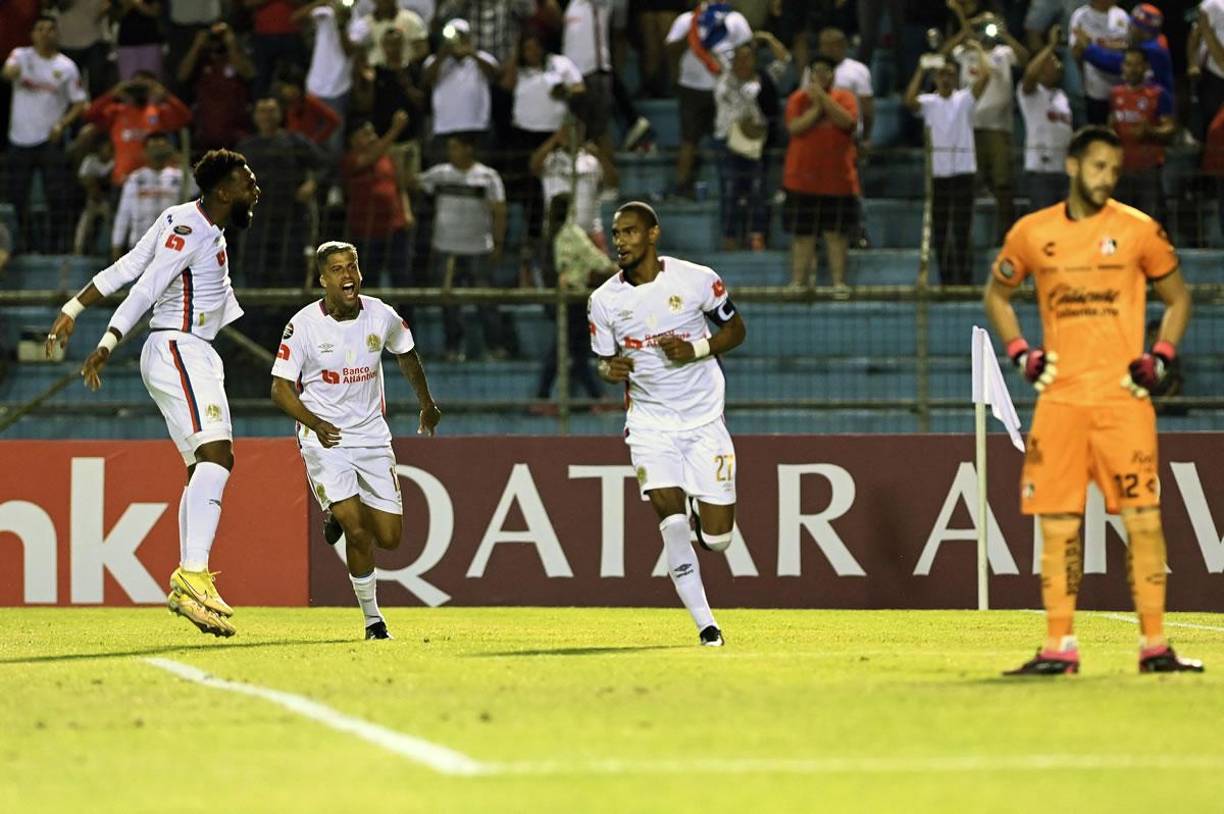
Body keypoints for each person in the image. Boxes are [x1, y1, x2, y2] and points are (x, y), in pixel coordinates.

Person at [983, 125, 1201, 675]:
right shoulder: (1033, 234)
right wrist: (1020, 353)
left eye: (1114, 169)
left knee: (1144, 520)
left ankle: (1155, 646)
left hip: (1122, 404)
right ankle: (1060, 646)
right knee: (1057, 525)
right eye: (1099, 166)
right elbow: (998, 293)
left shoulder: (1138, 230)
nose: (1108, 178)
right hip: (1059, 403)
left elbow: (1177, 298)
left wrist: (1161, 357)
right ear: (1074, 166)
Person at [44, 149, 261, 638]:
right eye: (247, 182)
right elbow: (144, 286)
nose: (254, 189)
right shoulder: (191, 230)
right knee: (217, 457)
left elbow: (125, 264)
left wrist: (74, 306)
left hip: (188, 351)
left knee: (202, 465)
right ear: (223, 190)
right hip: (177, 346)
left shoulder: (181, 217)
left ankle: (192, 579)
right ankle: (193, 574)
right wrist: (107, 341)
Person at [587, 201, 747, 647]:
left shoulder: (696, 280)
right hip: (650, 424)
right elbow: (604, 362)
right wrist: (609, 371)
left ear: (653, 234)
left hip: (704, 421)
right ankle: (707, 626)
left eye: (630, 232)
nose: (620, 241)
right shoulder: (604, 301)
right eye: (616, 233)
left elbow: (737, 331)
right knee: (671, 523)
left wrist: (696, 349)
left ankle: (704, 520)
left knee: (716, 540)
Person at [270, 240, 441, 640]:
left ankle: (338, 511)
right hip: (323, 439)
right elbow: (279, 389)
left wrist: (426, 404)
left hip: (371, 437)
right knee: (357, 528)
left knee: (390, 538)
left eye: (353, 266)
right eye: (337, 269)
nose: (347, 275)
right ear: (322, 279)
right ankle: (373, 620)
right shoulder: (304, 326)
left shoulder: (380, 314)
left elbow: (407, 353)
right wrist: (314, 423)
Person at [417, 133, 509, 361]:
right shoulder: (440, 174)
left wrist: (498, 243)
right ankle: (453, 348)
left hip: (479, 248)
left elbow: (500, 211)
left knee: (485, 301)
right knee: (449, 302)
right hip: (446, 250)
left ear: (469, 149)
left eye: (456, 147)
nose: (452, 152)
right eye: (450, 148)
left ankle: (495, 346)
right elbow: (413, 182)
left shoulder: (487, 177)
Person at [904, 46, 991, 285]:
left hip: (964, 171)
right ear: (935, 78)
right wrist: (921, 70)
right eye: (942, 74)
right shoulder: (929, 102)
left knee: (962, 230)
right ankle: (946, 280)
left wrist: (979, 51)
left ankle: (964, 280)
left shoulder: (964, 99)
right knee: (941, 232)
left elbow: (986, 76)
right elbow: (909, 100)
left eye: (951, 74)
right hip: (939, 174)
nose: (946, 78)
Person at [3, 14, 89, 254]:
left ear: (57, 34)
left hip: (50, 140)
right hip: (19, 139)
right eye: (40, 29)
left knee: (56, 197)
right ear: (32, 34)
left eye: (50, 29)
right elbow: (8, 72)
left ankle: (53, 246)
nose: (45, 33)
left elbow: (80, 103)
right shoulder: (21, 55)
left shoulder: (66, 66)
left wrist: (62, 124)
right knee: (18, 196)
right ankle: (24, 244)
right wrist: (12, 70)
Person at [783, 55, 859, 292]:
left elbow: (847, 122)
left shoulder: (845, 98)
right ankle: (799, 282)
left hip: (837, 180)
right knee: (802, 235)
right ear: (810, 73)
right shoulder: (798, 99)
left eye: (826, 71)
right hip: (802, 180)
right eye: (817, 71)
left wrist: (823, 100)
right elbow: (795, 127)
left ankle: (838, 283)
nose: (822, 76)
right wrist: (817, 108)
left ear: (833, 75)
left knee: (836, 234)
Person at [1109, 46, 1173, 224]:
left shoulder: (1159, 94)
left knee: (1149, 221)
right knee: (1120, 220)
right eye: (1128, 64)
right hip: (1121, 169)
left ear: (1145, 67)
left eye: (1137, 65)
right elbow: (1110, 125)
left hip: (1148, 169)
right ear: (1123, 67)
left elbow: (1170, 128)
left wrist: (1149, 131)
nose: (1132, 69)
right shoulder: (1115, 94)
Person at [111, 132, 196, 261]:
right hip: (139, 249)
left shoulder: (180, 176)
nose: (157, 152)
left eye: (161, 147)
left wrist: (181, 161)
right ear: (145, 152)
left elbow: (197, 191)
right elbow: (123, 215)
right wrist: (116, 246)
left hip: (172, 250)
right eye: (153, 148)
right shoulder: (135, 179)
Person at [1018, 26, 1074, 211]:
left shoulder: (1062, 96)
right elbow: (1029, 74)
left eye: (1057, 61)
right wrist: (1050, 46)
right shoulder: (1031, 93)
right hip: (1041, 172)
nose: (1057, 64)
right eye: (1051, 61)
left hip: (1063, 170)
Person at [1068, 0, 1129, 124]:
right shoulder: (1080, 16)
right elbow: (1076, 52)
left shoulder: (1121, 15)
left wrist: (1091, 46)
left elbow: (1128, 48)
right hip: (1095, 89)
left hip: (1122, 87)